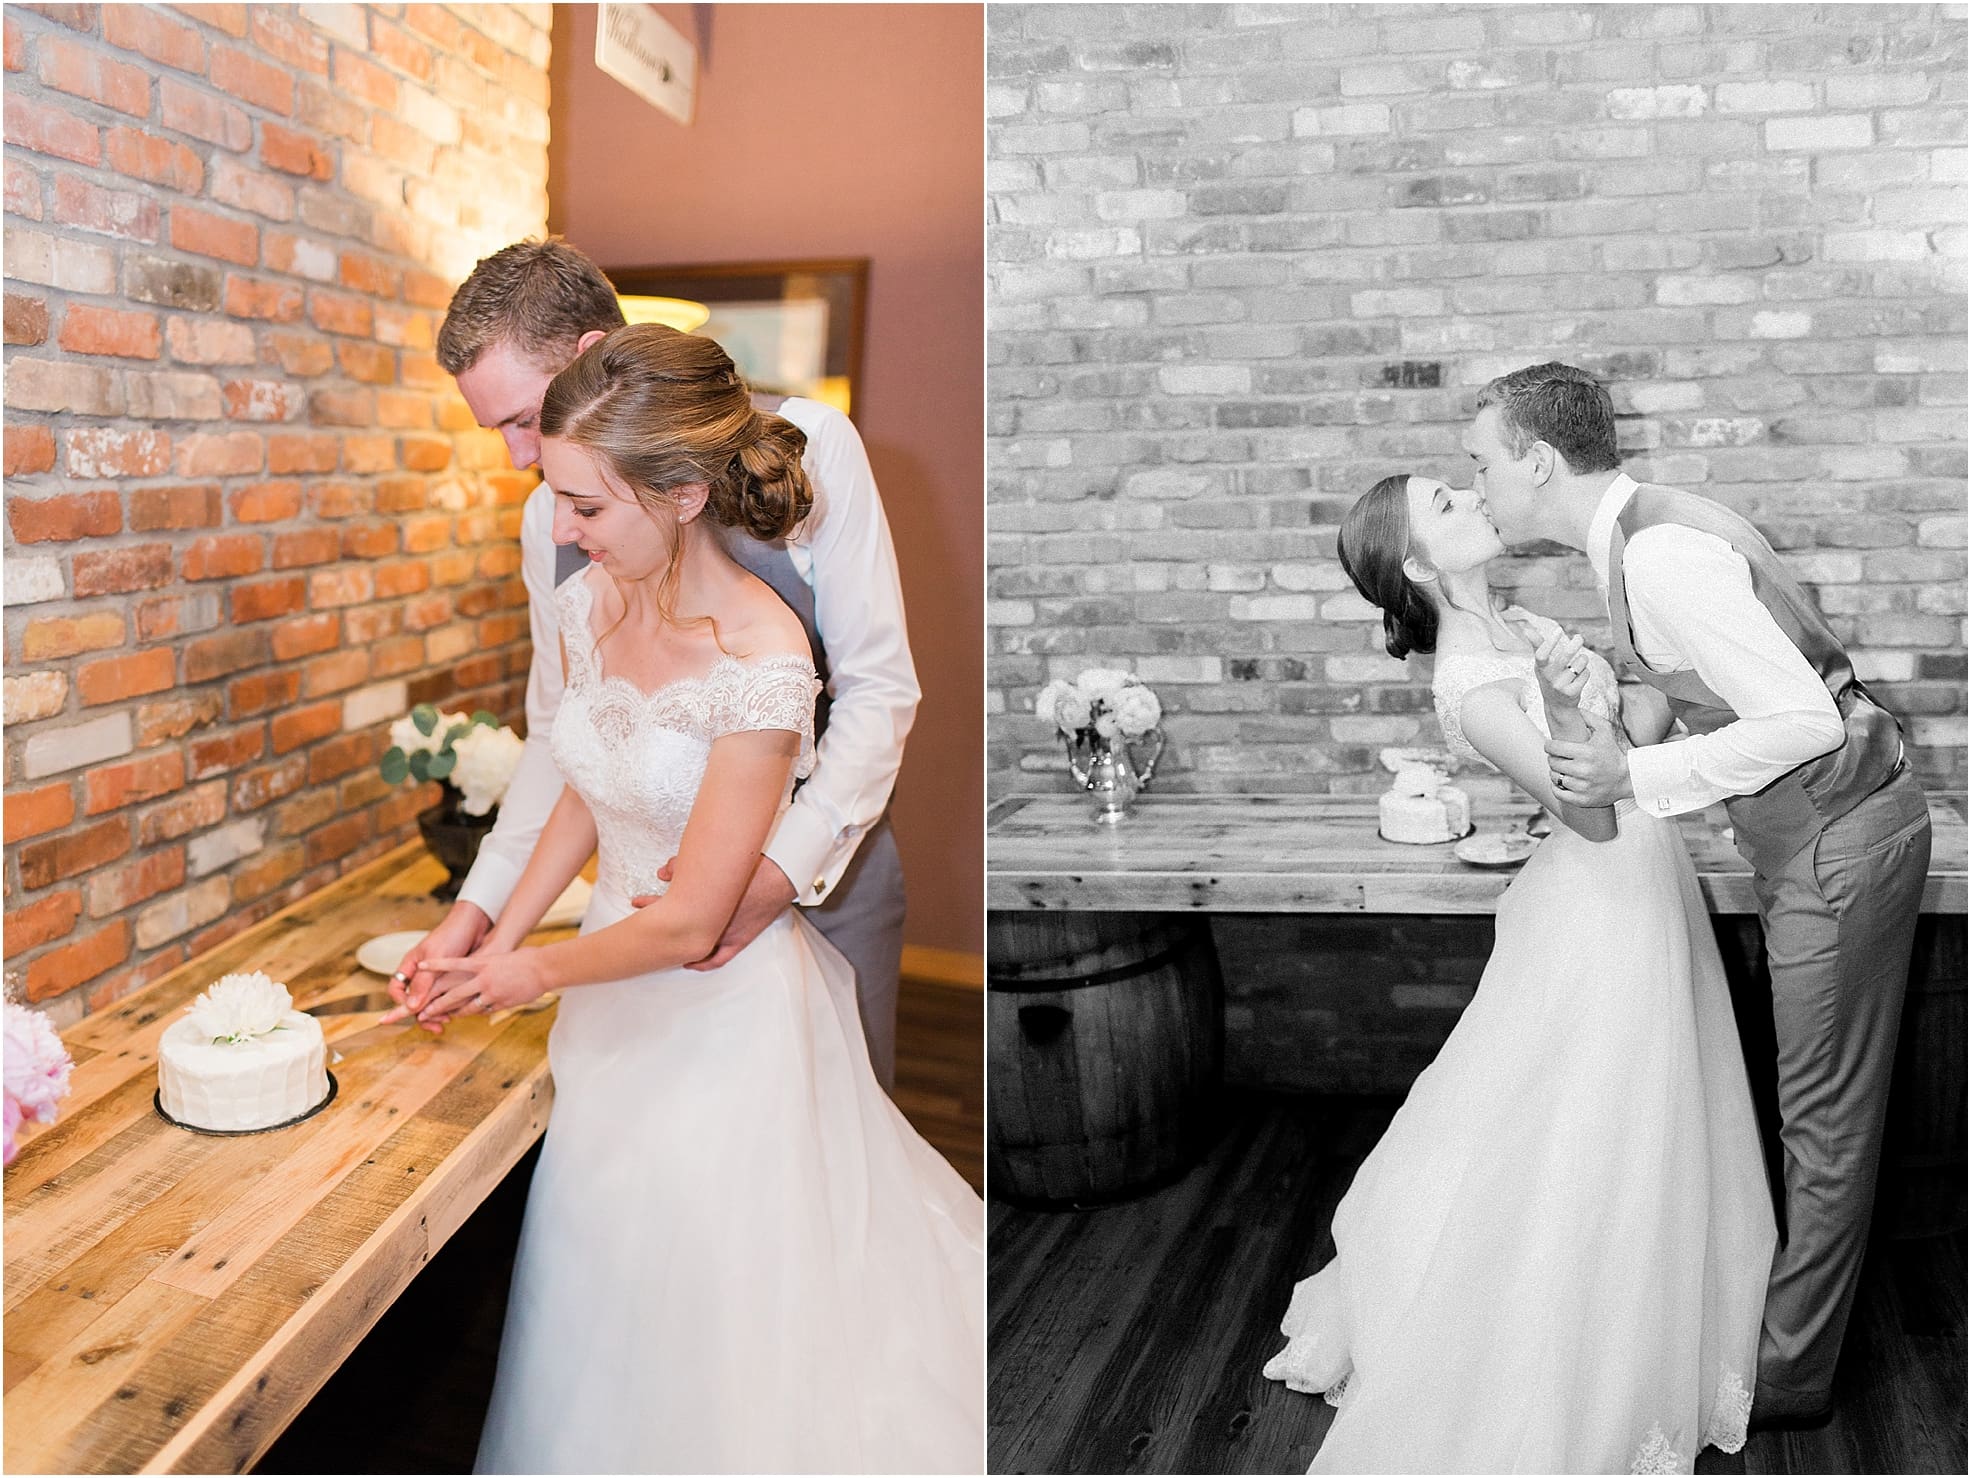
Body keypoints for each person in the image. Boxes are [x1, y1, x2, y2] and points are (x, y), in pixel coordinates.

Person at [391, 324, 982, 1473]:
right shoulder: (588, 597)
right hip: (610, 1002)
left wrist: (529, 969)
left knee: (738, 1286)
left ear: (681, 494)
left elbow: (698, 917)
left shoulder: (764, 653)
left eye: (583, 505)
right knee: (600, 1266)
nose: (555, 525)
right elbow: (579, 777)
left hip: (721, 1008)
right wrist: (491, 932)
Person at [1261, 473, 1775, 1472]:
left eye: (1461, 486)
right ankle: (1551, 1350)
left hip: (1639, 889)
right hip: (1599, 907)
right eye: (1446, 504)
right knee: (1580, 1131)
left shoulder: (1518, 624)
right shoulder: (1472, 680)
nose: (1472, 499)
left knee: (1646, 1120)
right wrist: (1592, 705)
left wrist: (1615, 693)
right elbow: (1590, 809)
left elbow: (1638, 736)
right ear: (1417, 565)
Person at [1474, 364, 1932, 1429]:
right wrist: (1619, 688)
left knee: (1823, 1123)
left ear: (1539, 461)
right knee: (1813, 1112)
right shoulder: (1641, 538)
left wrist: (1632, 776)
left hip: (1838, 842)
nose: (1480, 486)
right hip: (1824, 836)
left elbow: (1804, 723)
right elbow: (1721, 691)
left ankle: (1790, 1379)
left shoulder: (1662, 555)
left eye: (1481, 463)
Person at [395, 237, 918, 1088]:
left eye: (525, 419)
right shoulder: (551, 524)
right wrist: (480, 910)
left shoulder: (815, 445)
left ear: (592, 360)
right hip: (630, 931)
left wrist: (775, 875)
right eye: (499, 430)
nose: (521, 460)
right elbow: (558, 734)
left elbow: (879, 690)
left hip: (828, 879)